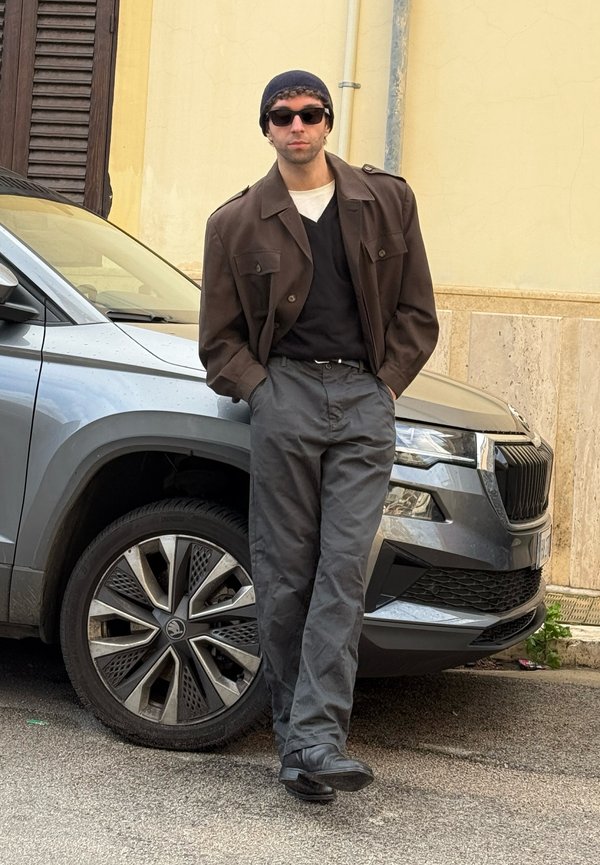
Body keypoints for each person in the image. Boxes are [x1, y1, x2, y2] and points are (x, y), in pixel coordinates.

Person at [199, 70, 438, 803]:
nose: (297, 125)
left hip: (364, 398)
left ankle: (317, 740)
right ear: (267, 128)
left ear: (328, 121)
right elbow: (219, 343)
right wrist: (264, 392)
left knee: (342, 571)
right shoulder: (236, 222)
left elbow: (417, 312)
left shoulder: (385, 200)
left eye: (310, 113)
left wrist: (385, 386)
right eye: (283, 116)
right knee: (285, 575)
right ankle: (298, 745)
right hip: (287, 398)